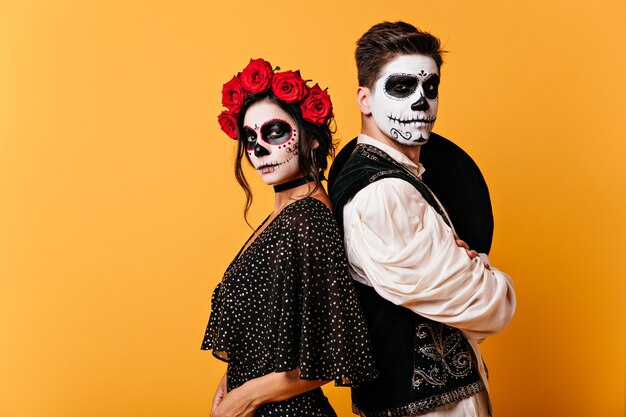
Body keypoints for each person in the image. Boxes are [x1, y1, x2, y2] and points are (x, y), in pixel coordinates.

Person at [329, 22, 517, 417]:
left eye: (429, 88)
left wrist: (460, 265)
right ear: (364, 99)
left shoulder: (399, 178)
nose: (421, 102)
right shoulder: (384, 193)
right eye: (401, 87)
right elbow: (494, 305)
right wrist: (481, 269)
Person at [202, 58, 377, 417]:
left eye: (275, 132)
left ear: (311, 138)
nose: (259, 150)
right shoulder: (282, 216)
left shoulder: (309, 218)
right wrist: (231, 381)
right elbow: (267, 332)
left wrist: (245, 397)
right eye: (250, 138)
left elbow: (329, 354)